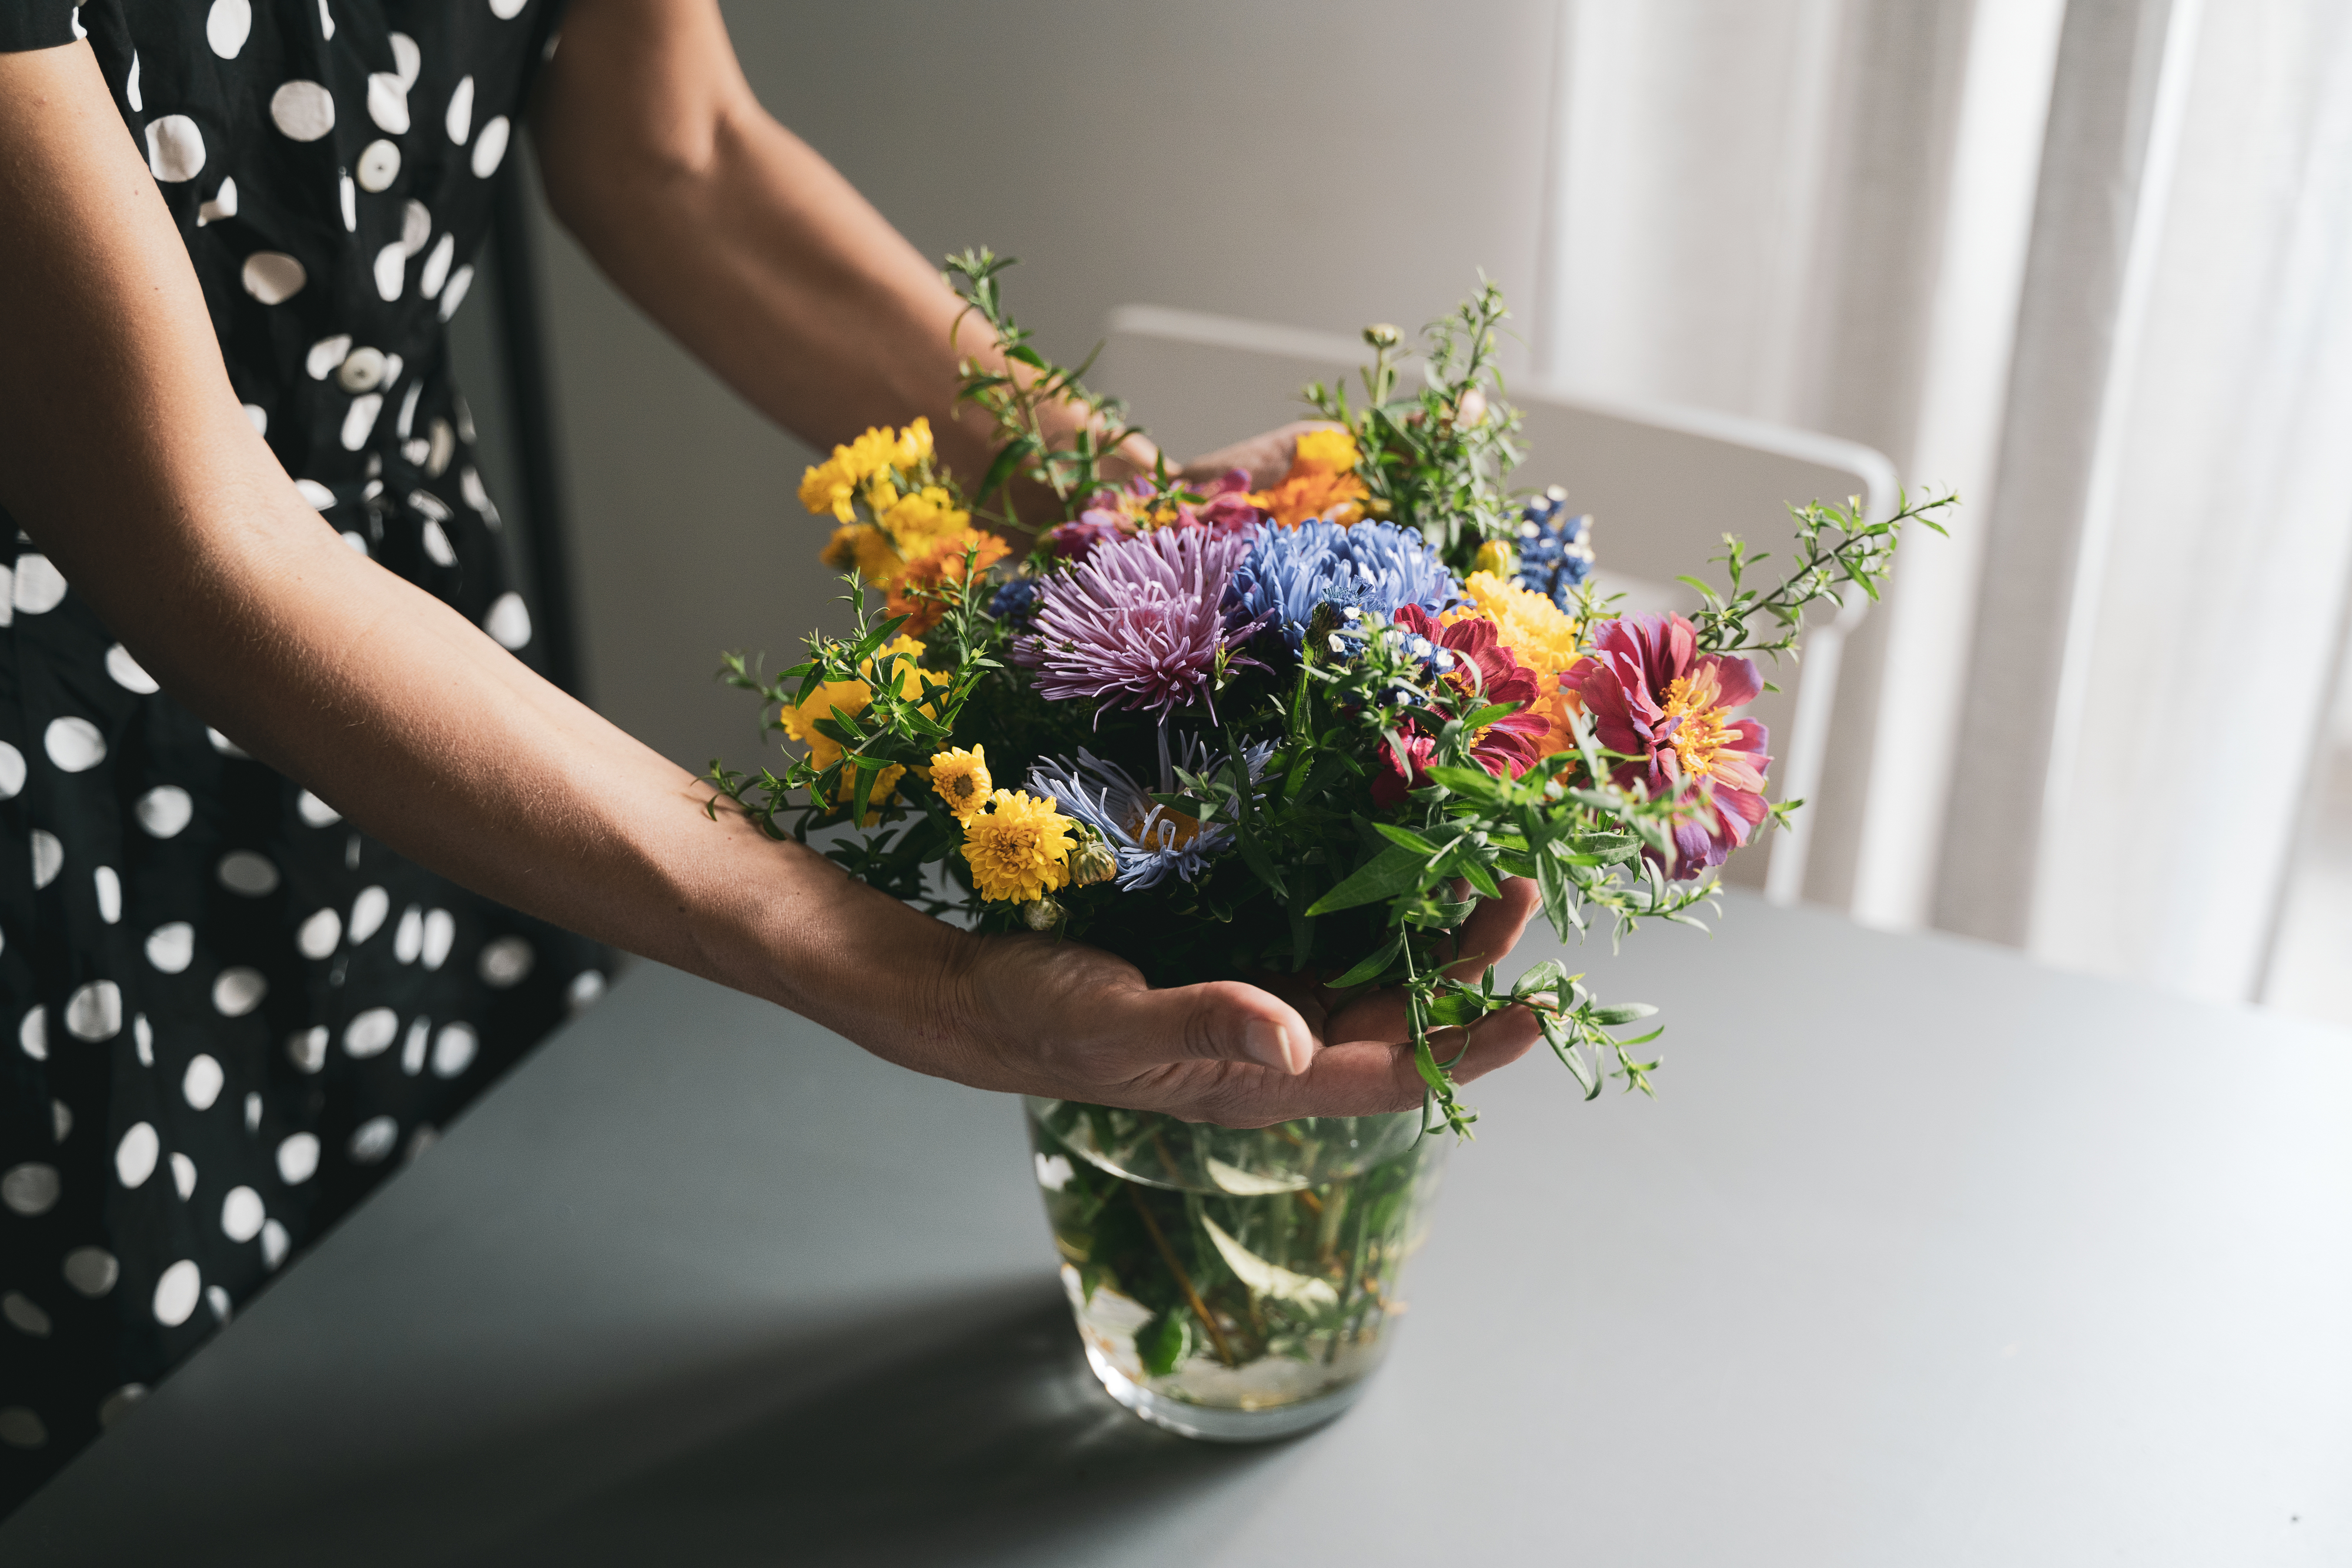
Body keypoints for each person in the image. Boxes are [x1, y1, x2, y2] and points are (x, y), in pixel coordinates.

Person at [0, 0, 1542, 1508]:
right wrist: (913, 979)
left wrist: (1141, 542)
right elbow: (203, 531)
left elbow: (682, 149)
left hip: (426, 685)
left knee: (424, 1389)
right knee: (141, 1463)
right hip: (63, 799)